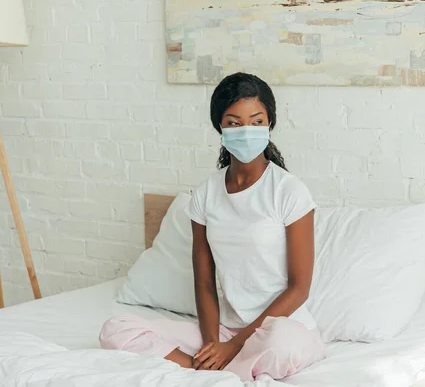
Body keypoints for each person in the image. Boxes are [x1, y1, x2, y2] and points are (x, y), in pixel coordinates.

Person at [99, 72, 326, 382]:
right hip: (223, 330)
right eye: (234, 122)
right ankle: (207, 369)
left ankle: (214, 371)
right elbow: (204, 283)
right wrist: (212, 345)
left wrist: (233, 346)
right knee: (116, 329)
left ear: (270, 124)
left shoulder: (289, 191)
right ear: (219, 127)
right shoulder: (206, 194)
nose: (246, 130)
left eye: (256, 121)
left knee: (282, 345)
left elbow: (299, 288)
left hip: (281, 327)